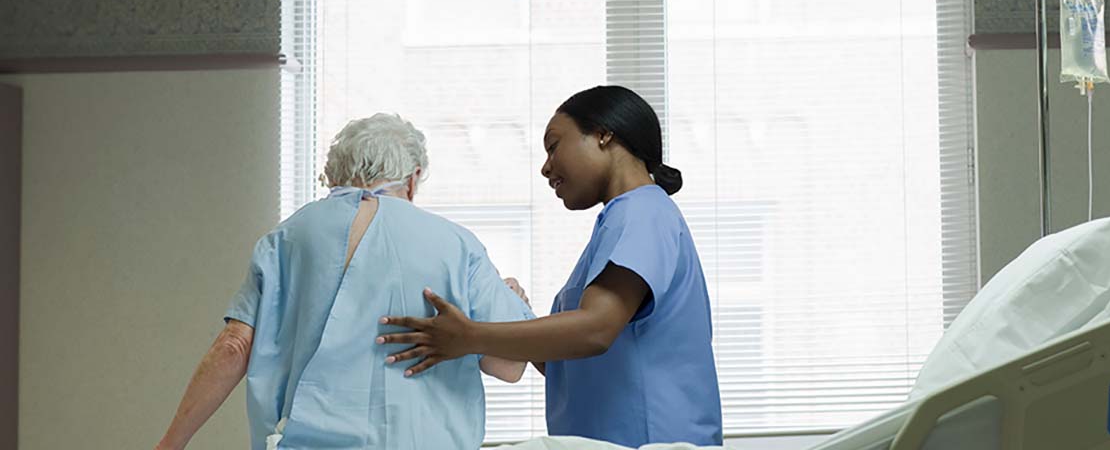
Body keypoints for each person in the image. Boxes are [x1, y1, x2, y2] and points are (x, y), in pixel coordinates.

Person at [155, 113, 532, 450]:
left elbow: (235, 346)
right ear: (414, 179)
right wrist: (514, 300)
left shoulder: (287, 238)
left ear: (334, 176)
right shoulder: (454, 244)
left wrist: (171, 443)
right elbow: (509, 367)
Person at [378, 86, 723, 447]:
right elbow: (569, 362)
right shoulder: (621, 223)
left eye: (554, 145)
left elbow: (595, 330)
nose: (545, 167)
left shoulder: (642, 212)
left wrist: (468, 336)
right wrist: (512, 314)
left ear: (605, 134)